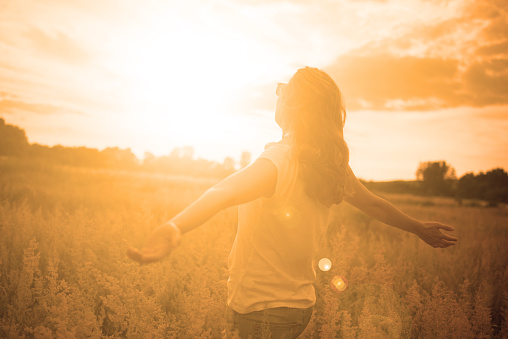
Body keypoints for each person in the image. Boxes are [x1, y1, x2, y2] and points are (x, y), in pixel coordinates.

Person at [127, 66, 457, 338]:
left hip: (262, 311)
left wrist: (175, 225)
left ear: (292, 106)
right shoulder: (331, 164)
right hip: (300, 307)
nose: (277, 94)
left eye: (281, 90)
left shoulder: (279, 162)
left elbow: (221, 193)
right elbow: (374, 205)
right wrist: (417, 228)